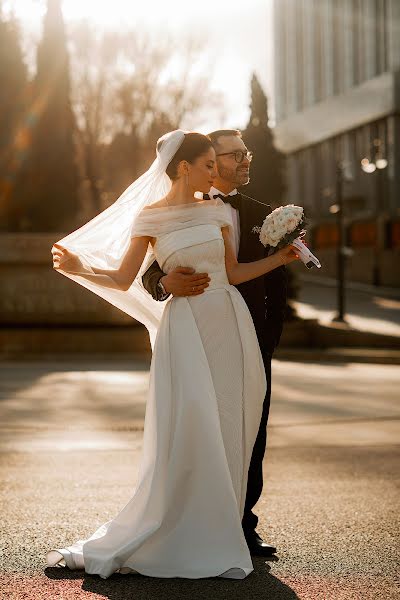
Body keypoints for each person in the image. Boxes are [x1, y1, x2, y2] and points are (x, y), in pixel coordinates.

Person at [48, 130, 298, 580]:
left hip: (230, 322)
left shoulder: (217, 211)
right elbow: (126, 278)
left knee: (231, 419)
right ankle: (181, 527)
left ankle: (227, 527)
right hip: (185, 330)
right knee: (192, 422)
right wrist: (80, 268)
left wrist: (280, 259)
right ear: (185, 167)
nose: (215, 172)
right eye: (208, 165)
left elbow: (235, 272)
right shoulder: (149, 218)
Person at [142, 129, 287, 556]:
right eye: (234, 154)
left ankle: (244, 524)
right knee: (198, 422)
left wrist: (269, 339)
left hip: (249, 336)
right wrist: (164, 282)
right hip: (196, 330)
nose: (245, 160)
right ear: (211, 160)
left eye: (248, 152)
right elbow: (151, 269)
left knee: (250, 429)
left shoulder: (265, 215)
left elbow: (276, 285)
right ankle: (194, 519)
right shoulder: (174, 211)